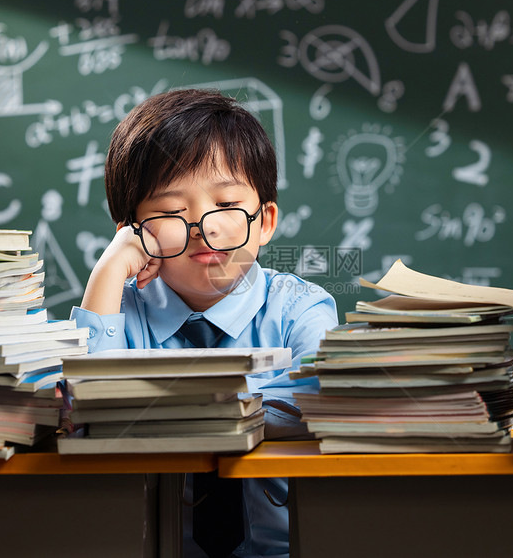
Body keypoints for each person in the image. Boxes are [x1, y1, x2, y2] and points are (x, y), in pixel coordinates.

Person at [70, 88, 339, 557]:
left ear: (266, 221)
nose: (203, 227)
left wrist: (179, 406)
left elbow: (323, 393)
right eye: (172, 211)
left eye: (226, 204)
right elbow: (81, 414)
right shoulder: (119, 311)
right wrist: (108, 273)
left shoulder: (301, 306)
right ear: (132, 232)